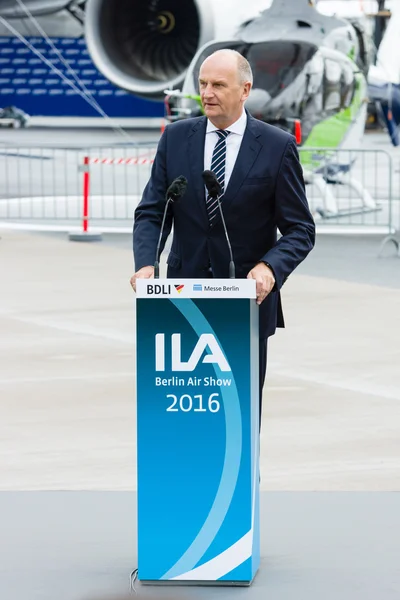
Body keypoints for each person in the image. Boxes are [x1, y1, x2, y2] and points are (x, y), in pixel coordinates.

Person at [131, 49, 315, 418]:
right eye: (202, 84)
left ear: (245, 90)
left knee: (238, 415)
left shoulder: (277, 147)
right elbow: (153, 211)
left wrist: (269, 267)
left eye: (218, 85)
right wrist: (147, 263)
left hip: (245, 303)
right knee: (185, 414)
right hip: (183, 301)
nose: (207, 93)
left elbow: (300, 229)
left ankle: (243, 477)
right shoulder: (176, 138)